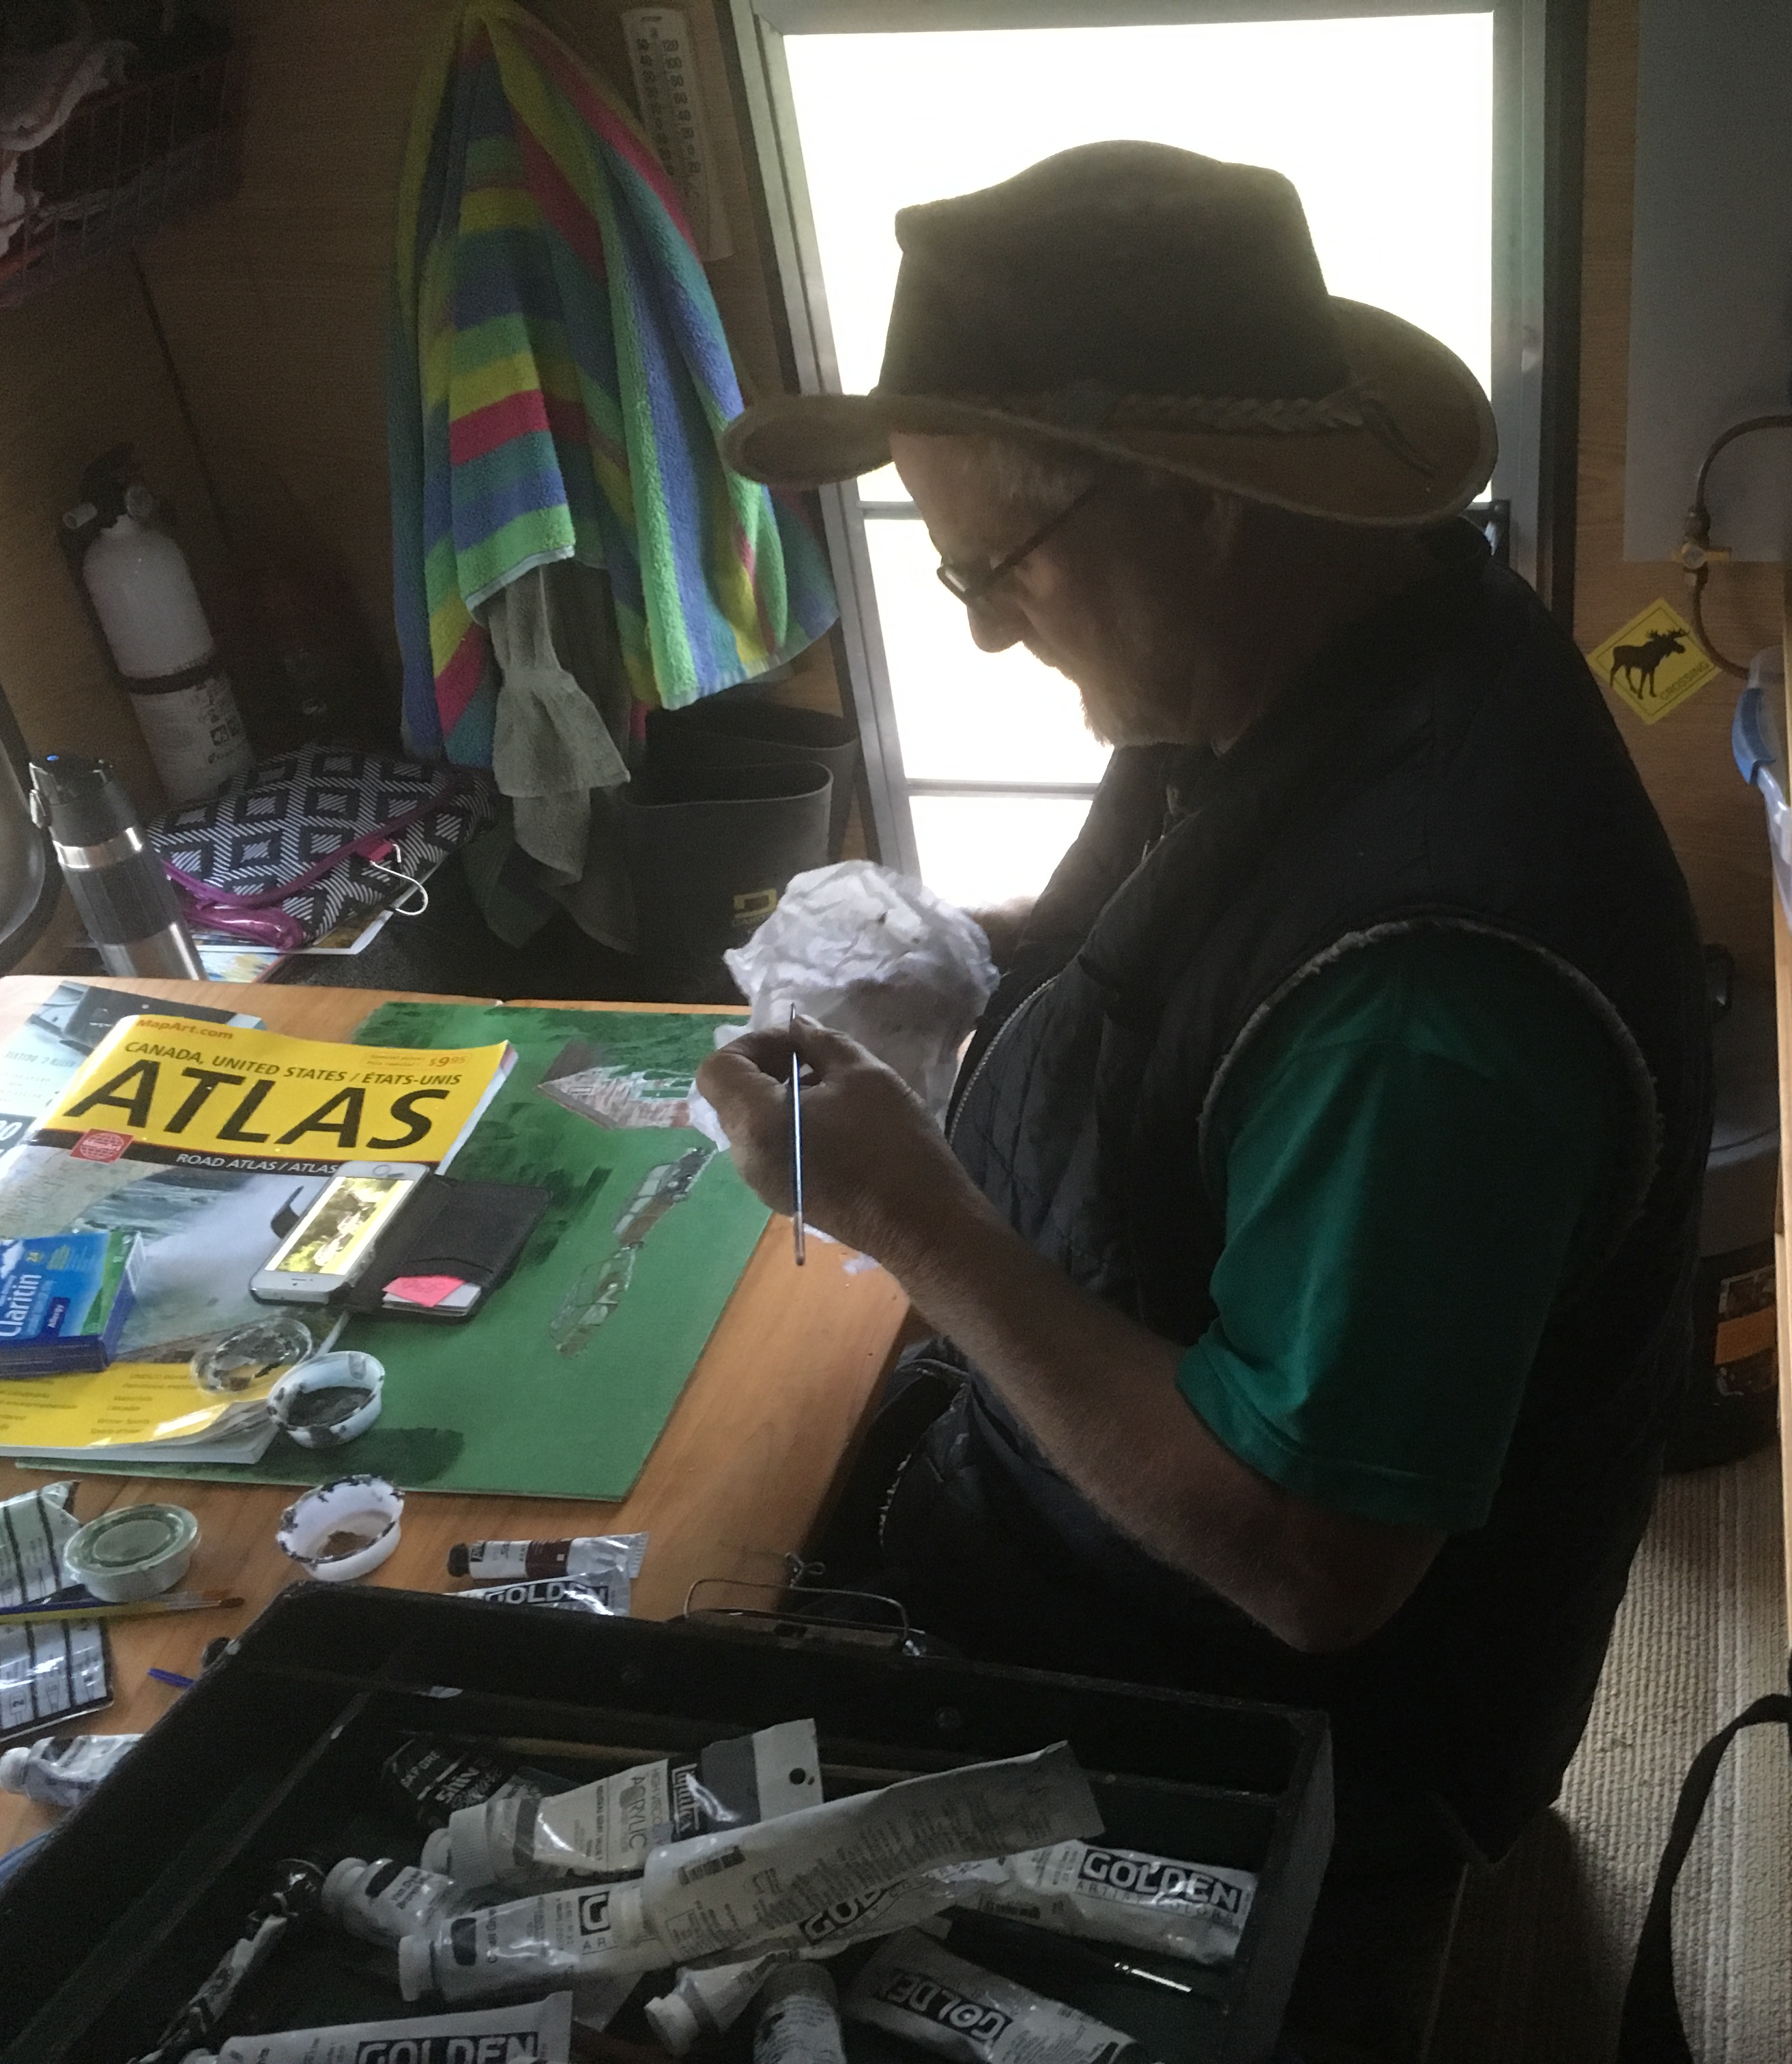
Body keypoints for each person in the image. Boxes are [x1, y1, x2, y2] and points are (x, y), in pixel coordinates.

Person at [697, 141, 1709, 2057]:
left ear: (1202, 503)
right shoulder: (1320, 655)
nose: (987, 628)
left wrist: (909, 1217)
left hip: (1311, 1727)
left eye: (997, 567)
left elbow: (1312, 1564)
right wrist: (954, 954)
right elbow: (1166, 934)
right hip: (1092, 1556)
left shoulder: (1427, 996)